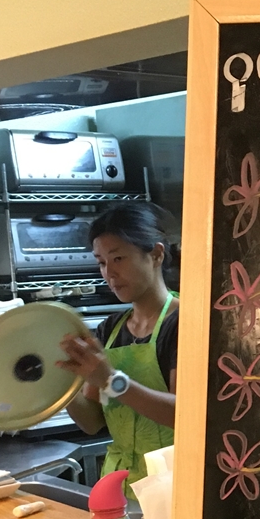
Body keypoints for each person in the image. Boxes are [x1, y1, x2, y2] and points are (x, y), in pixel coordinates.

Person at [57, 204, 179, 494]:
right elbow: (92, 422)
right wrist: (55, 386)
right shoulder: (110, 330)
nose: (109, 273)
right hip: (120, 485)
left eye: (118, 258)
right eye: (101, 262)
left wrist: (112, 381)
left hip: (174, 484)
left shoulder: (184, 323)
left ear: (156, 254)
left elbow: (184, 415)